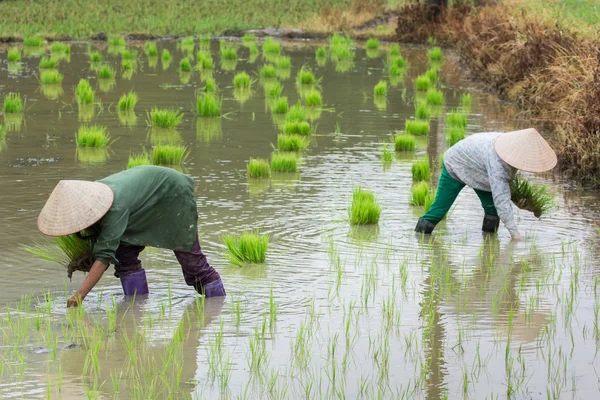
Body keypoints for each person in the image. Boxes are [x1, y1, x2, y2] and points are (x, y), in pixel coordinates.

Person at [36, 165, 225, 307]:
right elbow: (103, 243)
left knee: (193, 263)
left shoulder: (112, 206)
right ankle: (136, 309)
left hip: (172, 193)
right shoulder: (94, 197)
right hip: (140, 204)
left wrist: (79, 296)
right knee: (124, 257)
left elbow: (103, 259)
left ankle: (218, 310)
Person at [415, 128, 557, 239]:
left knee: (492, 210)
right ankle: (420, 243)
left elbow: (503, 187)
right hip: (456, 163)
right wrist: (515, 234)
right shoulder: (497, 162)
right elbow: (501, 199)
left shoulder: (510, 148)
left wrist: (521, 201)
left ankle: (489, 247)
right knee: (438, 210)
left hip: (480, 169)